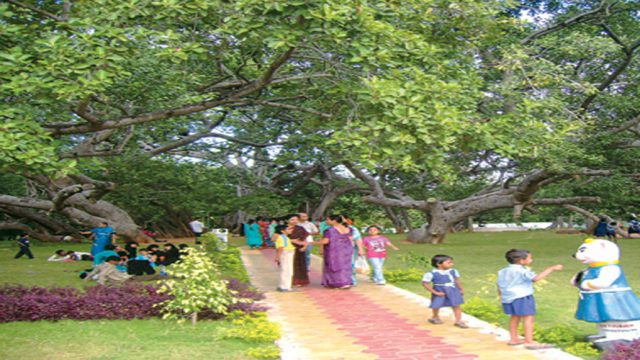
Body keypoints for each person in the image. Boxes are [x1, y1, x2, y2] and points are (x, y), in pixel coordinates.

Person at [497, 249, 563, 349]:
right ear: (521, 261)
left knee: (514, 317)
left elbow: (498, 284)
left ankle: (513, 339)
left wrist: (501, 296)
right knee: (528, 318)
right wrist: (551, 269)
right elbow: (535, 279)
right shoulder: (523, 271)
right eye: (529, 258)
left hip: (508, 297)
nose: (531, 260)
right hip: (522, 297)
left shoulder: (503, 271)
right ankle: (529, 342)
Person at [422, 255, 467, 328]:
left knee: (456, 304)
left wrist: (461, 289)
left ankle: (458, 320)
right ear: (439, 264)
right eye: (449, 263)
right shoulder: (431, 273)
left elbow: (457, 280)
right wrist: (435, 292)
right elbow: (425, 283)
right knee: (437, 304)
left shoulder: (453, 271)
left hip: (452, 290)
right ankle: (435, 317)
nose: (452, 264)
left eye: (452, 262)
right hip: (439, 290)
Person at [313, 214, 353, 289]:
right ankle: (346, 282)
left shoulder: (329, 230)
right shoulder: (349, 229)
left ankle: (336, 283)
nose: (326, 221)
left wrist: (311, 243)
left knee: (334, 265)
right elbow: (350, 240)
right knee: (345, 266)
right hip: (347, 249)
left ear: (334, 221)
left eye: (328, 219)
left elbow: (325, 241)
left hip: (334, 250)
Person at [286, 214, 310, 287]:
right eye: (292, 220)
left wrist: (305, 246)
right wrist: (290, 240)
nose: (294, 221)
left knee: (300, 265)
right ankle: (289, 280)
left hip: (299, 249)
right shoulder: (284, 229)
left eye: (296, 219)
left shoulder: (300, 228)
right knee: (289, 265)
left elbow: (305, 238)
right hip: (288, 249)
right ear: (287, 220)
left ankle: (300, 281)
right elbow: (277, 238)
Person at [342, 215, 364, 285]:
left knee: (351, 264)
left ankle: (352, 279)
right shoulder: (334, 228)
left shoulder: (353, 229)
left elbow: (358, 239)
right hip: (338, 250)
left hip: (350, 249)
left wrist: (360, 250)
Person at [274, 225, 296, 292]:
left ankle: (285, 286)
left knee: (287, 270)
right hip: (286, 254)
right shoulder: (282, 238)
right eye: (288, 229)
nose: (290, 230)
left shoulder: (285, 237)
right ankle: (284, 287)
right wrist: (277, 257)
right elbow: (281, 248)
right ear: (282, 231)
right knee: (287, 270)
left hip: (288, 254)